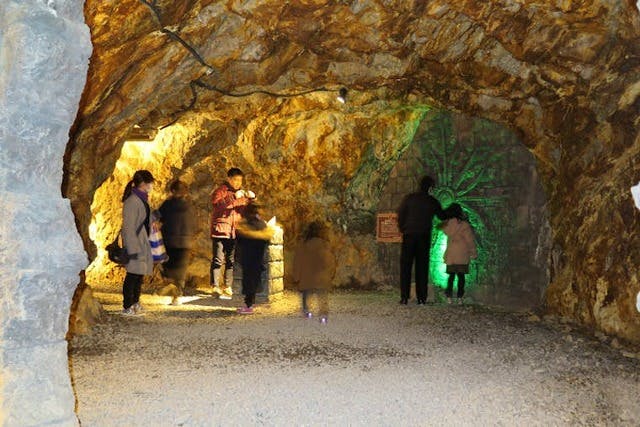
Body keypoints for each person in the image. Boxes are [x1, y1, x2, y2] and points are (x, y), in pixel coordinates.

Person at [396, 175, 445, 305]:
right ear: (430, 188)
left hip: (409, 235)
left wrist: (403, 228)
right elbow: (442, 215)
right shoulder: (432, 201)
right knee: (422, 267)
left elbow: (401, 214)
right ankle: (421, 298)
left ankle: (404, 297)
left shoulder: (409, 198)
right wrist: (454, 211)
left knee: (406, 267)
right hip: (423, 236)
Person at [209, 168, 256, 299]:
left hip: (234, 232)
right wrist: (235, 198)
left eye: (240, 180)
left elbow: (247, 210)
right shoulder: (221, 191)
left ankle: (227, 286)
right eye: (235, 180)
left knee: (231, 260)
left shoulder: (241, 193)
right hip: (220, 230)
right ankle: (215, 286)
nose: (237, 183)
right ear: (229, 179)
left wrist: (252, 199)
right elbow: (218, 205)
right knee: (218, 259)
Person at [120, 170, 155, 315]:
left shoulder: (141, 199)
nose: (152, 186)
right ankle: (127, 306)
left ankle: (135, 302)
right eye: (150, 183)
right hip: (135, 243)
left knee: (139, 274)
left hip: (141, 241)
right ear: (143, 184)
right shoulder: (132, 201)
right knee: (132, 274)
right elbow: (128, 227)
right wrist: (132, 248)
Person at [157, 180, 196, 305]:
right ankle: (176, 294)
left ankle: (171, 288)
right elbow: (194, 224)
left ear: (172, 191)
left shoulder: (167, 205)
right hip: (184, 242)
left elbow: (158, 217)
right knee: (180, 270)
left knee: (168, 268)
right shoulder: (188, 206)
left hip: (169, 241)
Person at [292, 221, 336, 323]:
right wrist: (331, 273)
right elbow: (330, 261)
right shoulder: (325, 245)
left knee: (306, 294)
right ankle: (323, 315)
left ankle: (307, 311)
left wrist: (296, 276)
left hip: (307, 276)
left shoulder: (303, 245)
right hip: (321, 276)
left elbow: (298, 261)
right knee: (322, 295)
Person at [235, 203, 275, 314]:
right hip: (258, 257)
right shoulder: (261, 223)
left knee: (249, 281)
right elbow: (266, 239)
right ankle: (250, 303)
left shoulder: (246, 223)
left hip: (248, 257)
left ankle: (248, 306)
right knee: (254, 280)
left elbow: (239, 238)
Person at [440, 203, 477, 305]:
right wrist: (473, 252)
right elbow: (470, 240)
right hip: (462, 253)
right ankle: (460, 298)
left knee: (451, 276)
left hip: (451, 253)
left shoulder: (447, 225)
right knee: (461, 277)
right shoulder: (464, 225)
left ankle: (449, 297)